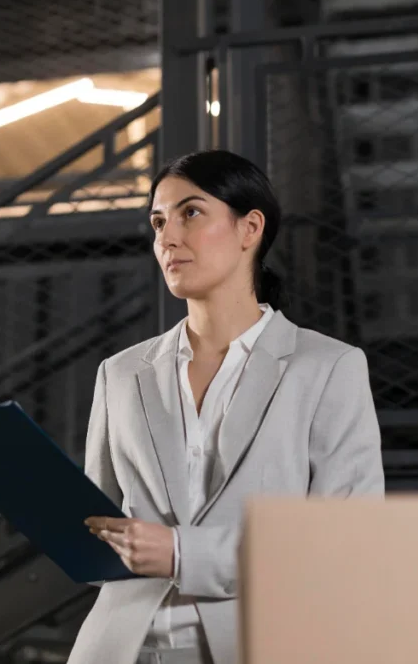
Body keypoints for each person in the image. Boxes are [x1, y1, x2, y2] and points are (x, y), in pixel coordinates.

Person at [70, 150, 385, 664]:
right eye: (157, 222)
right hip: (120, 649)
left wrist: (180, 554)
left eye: (190, 213)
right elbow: (96, 530)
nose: (167, 238)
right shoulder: (120, 373)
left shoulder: (327, 368)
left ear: (250, 228)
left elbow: (346, 546)